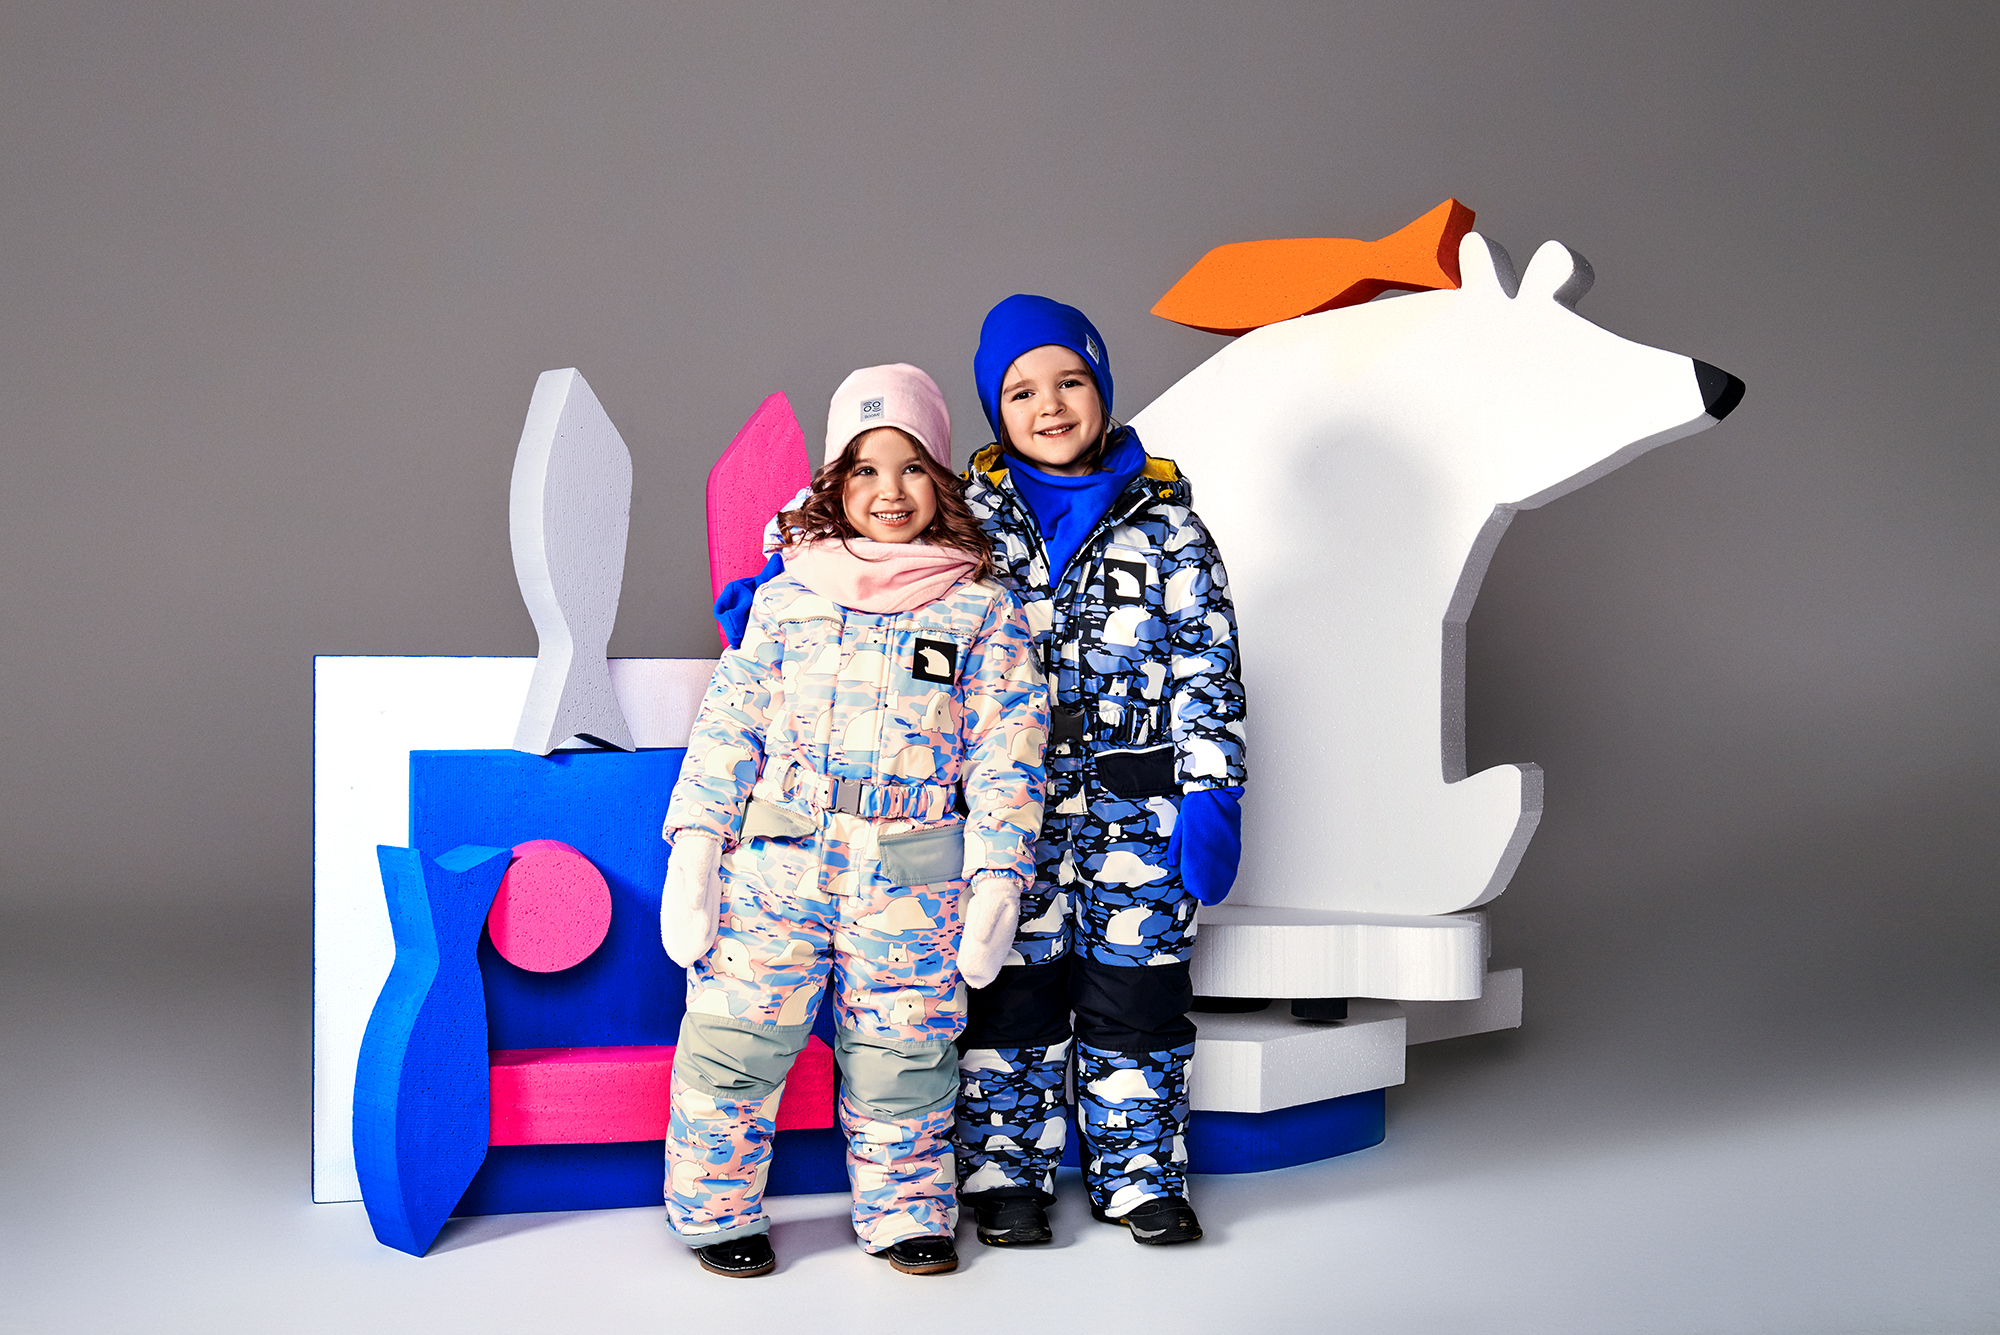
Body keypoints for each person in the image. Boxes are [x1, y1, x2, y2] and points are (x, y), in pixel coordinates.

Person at [657, 363, 1049, 1279]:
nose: (889, 491)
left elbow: (1008, 748)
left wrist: (999, 875)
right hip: (779, 859)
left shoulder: (980, 607)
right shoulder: (789, 594)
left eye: (911, 467)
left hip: (913, 872)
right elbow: (730, 723)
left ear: (941, 480)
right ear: (836, 480)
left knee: (903, 1058)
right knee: (734, 1042)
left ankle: (906, 1212)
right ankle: (715, 1210)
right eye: (866, 469)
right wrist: (698, 846)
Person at [953, 296, 1246, 1248]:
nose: (1049, 405)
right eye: (1021, 391)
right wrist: (785, 586)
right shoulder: (964, 528)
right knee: (1008, 997)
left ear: (1104, 389)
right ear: (995, 410)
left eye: (1070, 380)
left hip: (1139, 815)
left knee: (1138, 999)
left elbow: (1208, 669)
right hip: (1008, 819)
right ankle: (1006, 1174)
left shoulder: (1169, 527)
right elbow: (879, 585)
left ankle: (1140, 1175)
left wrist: (1214, 791)